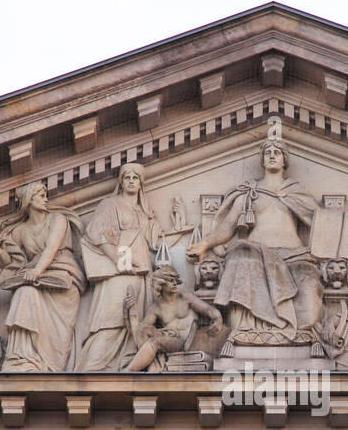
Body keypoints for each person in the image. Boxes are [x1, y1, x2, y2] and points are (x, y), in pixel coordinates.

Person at [186, 137, 319, 336]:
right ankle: (245, 332)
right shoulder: (249, 193)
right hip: (256, 256)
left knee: (309, 311)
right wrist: (205, 243)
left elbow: (326, 224)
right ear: (262, 161)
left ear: (285, 160)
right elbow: (228, 227)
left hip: (295, 257)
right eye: (268, 153)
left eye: (277, 152)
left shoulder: (296, 192)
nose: (272, 156)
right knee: (241, 256)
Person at [76, 163, 163, 371]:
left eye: (136, 177)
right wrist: (117, 259)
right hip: (119, 273)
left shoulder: (144, 212)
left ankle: (127, 363)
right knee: (112, 318)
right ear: (121, 182)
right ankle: (93, 368)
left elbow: (155, 244)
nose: (132, 181)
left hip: (140, 273)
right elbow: (96, 232)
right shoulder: (111, 203)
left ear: (141, 183)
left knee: (135, 321)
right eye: (127, 177)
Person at [0, 182, 85, 372]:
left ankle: (50, 362)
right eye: (40, 196)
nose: (46, 200)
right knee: (24, 294)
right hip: (34, 280)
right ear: (28, 201)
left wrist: (37, 271)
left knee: (28, 293)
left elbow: (51, 248)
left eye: (45, 195)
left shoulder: (57, 219)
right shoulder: (19, 231)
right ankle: (23, 358)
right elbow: (13, 263)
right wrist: (0, 252)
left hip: (61, 277)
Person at [123, 267, 221, 371]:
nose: (175, 283)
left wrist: (218, 318)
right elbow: (138, 333)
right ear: (160, 284)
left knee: (156, 342)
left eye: (175, 280)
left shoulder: (185, 297)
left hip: (185, 342)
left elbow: (209, 309)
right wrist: (126, 311)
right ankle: (152, 366)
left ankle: (129, 371)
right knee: (143, 329)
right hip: (167, 339)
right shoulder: (156, 307)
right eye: (170, 281)